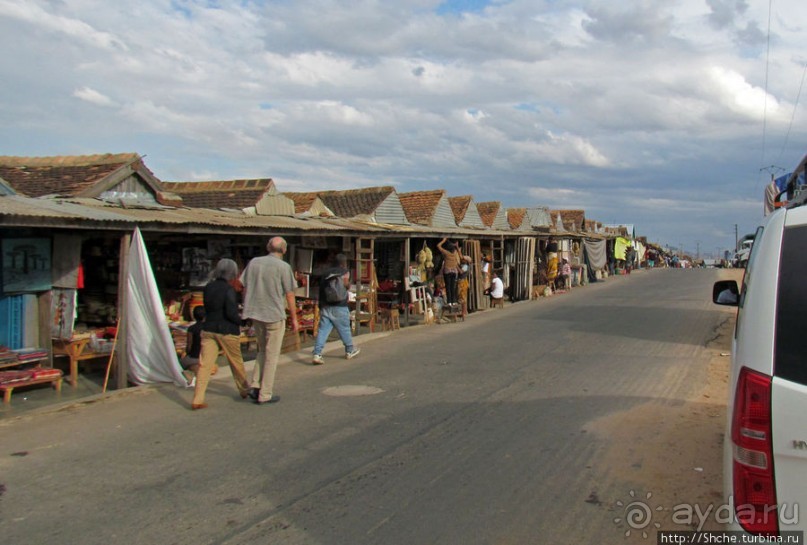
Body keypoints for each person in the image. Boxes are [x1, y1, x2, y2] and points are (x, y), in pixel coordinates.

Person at [240, 236, 299, 405]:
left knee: (261, 350)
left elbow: (243, 285)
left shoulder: (254, 263)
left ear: (268, 247)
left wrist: (245, 306)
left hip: (255, 312)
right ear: (284, 250)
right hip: (273, 314)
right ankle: (265, 393)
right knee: (272, 355)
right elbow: (289, 293)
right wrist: (294, 318)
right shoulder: (283, 267)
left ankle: (255, 385)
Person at [191, 259, 250, 410]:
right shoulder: (229, 289)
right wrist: (242, 321)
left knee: (204, 365)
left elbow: (208, 307)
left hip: (209, 328)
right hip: (227, 330)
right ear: (233, 272)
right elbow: (231, 312)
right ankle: (244, 389)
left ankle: (198, 398)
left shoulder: (208, 287)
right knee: (236, 362)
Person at [311, 254, 360, 365]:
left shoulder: (325, 273)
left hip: (326, 306)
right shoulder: (344, 272)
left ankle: (317, 354)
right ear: (344, 263)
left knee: (323, 330)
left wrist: (320, 305)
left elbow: (321, 290)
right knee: (344, 329)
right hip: (340, 306)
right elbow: (346, 285)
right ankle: (350, 349)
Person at [179, 305, 205, 385]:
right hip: (205, 357)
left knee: (180, 363)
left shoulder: (191, 329)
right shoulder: (209, 327)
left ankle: (191, 371)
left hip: (194, 357)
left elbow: (189, 347)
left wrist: (186, 353)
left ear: (194, 316)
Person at [437, 237, 462, 307]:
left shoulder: (446, 253)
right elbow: (460, 254)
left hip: (447, 271)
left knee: (448, 287)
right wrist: (456, 246)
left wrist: (443, 240)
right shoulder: (454, 254)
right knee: (452, 287)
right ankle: (453, 301)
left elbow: (438, 246)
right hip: (454, 272)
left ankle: (449, 302)